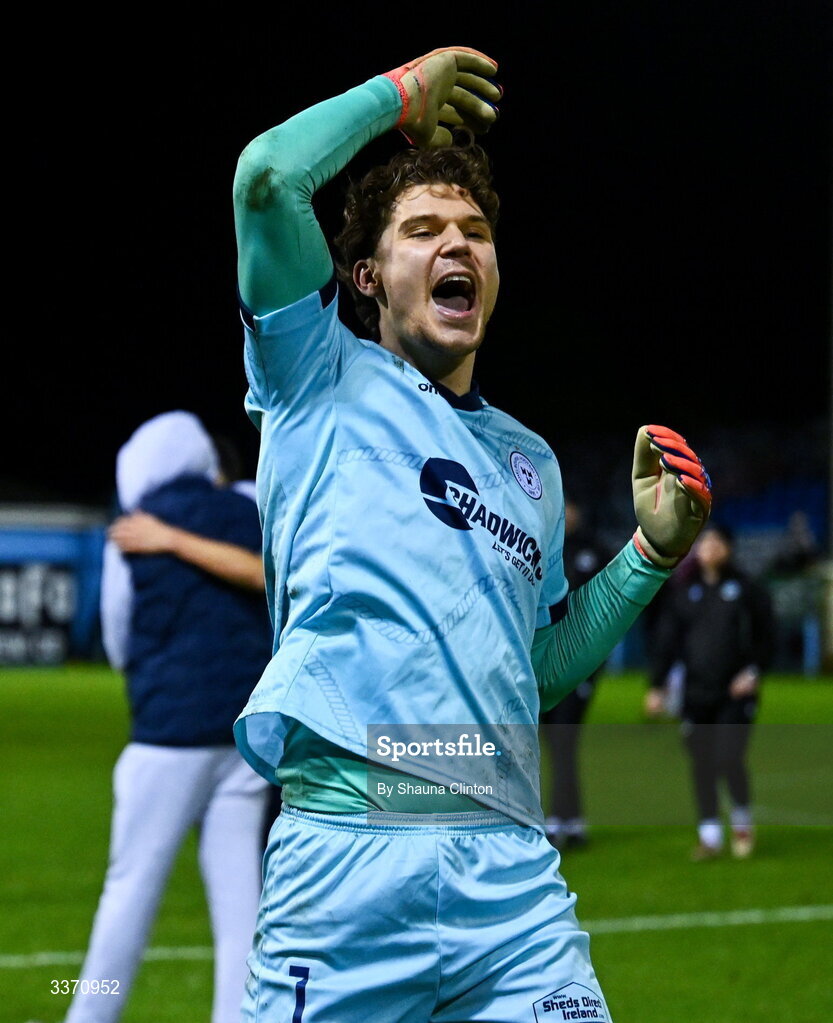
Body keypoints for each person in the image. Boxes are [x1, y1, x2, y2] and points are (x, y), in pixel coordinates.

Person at [231, 47, 712, 1021]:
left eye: (475, 231)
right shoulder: (315, 375)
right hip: (342, 872)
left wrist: (645, 557)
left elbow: (527, 674)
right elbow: (268, 177)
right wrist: (397, 98)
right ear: (363, 276)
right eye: (422, 230)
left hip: (510, 879)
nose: (457, 244)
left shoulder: (525, 463)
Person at [65, 411, 273, 1023]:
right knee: (242, 905)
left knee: (129, 891)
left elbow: (119, 636)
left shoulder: (136, 527)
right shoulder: (249, 509)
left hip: (167, 738)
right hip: (243, 736)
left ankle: (88, 1015)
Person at [645, 521, 775, 860]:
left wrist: (753, 671)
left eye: (717, 541)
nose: (709, 547)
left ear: (729, 548)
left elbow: (767, 635)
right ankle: (710, 837)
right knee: (701, 763)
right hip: (696, 693)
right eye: (704, 542)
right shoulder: (684, 590)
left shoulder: (747, 589)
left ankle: (743, 824)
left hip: (736, 693)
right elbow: (668, 640)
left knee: (729, 758)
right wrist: (657, 686)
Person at [540, 499, 614, 850]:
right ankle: (573, 821)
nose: (565, 515)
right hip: (543, 660)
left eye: (570, 508)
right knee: (554, 746)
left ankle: (559, 821)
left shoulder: (596, 551)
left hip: (580, 663)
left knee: (564, 742)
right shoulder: (542, 546)